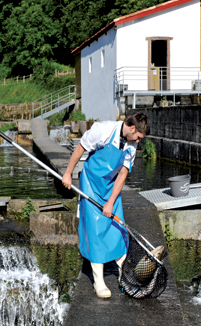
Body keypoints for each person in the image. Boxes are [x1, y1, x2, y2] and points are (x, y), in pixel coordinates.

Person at [62, 112, 150, 298]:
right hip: (91, 183)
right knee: (95, 229)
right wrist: (68, 173)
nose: (139, 141)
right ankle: (98, 281)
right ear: (132, 128)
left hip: (110, 185)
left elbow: (123, 174)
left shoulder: (131, 145)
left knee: (118, 228)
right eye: (139, 137)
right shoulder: (102, 130)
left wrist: (111, 202)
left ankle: (123, 274)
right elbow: (80, 149)